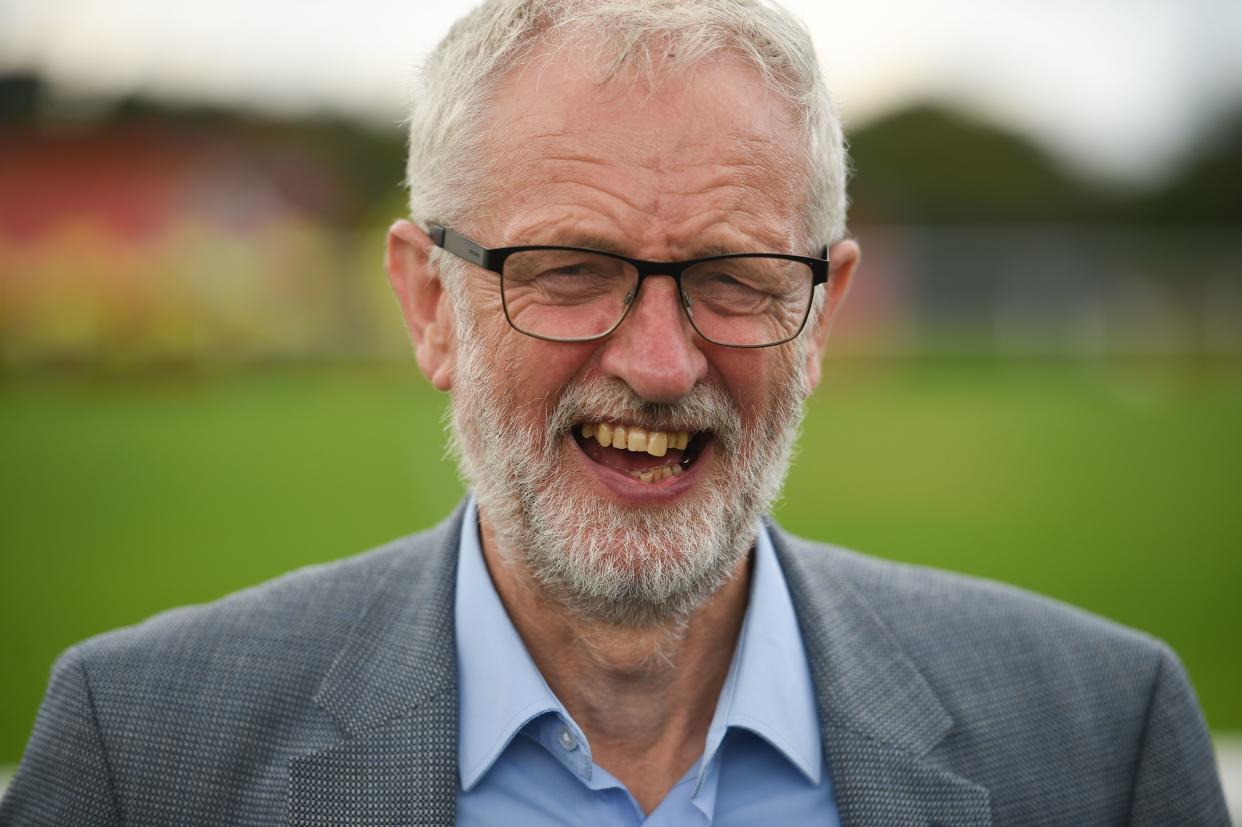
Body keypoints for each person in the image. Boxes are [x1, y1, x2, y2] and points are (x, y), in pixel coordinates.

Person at [1, 1, 1230, 825]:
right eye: (570, 268)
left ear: (824, 309)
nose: (655, 361)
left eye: (733, 276)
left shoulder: (1096, 737)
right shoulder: (141, 751)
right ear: (429, 303)